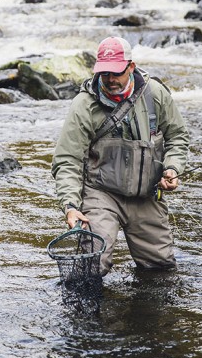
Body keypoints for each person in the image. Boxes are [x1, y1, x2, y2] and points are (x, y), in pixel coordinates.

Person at [52, 35, 189, 274]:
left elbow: (177, 137)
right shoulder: (84, 105)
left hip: (147, 194)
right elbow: (68, 160)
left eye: (116, 73)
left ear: (131, 67)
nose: (111, 79)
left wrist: (173, 168)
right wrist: (71, 205)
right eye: (105, 73)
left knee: (160, 269)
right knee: (93, 263)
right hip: (101, 194)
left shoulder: (155, 94)